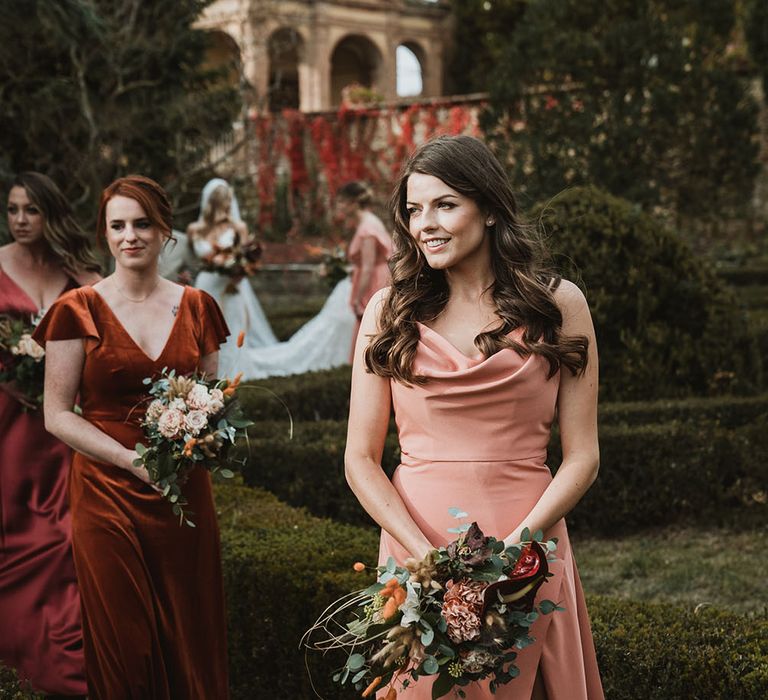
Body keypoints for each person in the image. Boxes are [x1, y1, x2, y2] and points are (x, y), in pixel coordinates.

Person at [345, 136, 604, 699]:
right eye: (414, 209)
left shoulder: (560, 306)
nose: (425, 224)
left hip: (527, 544)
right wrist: (425, 561)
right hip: (417, 545)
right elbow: (360, 461)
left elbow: (582, 455)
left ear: (488, 208)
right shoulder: (389, 311)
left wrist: (515, 550)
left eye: (444, 205)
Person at [33, 175, 230, 699]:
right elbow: (57, 413)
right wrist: (128, 459)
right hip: (104, 489)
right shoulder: (77, 309)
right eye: (117, 225)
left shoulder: (197, 306)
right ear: (104, 233)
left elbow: (212, 402)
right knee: (124, 639)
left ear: (165, 229)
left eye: (142, 223)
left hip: (181, 494)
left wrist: (201, 436)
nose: (130, 236)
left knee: (188, 630)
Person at [0, 171, 100, 697]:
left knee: (63, 537)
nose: (20, 220)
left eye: (30, 211)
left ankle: (61, 668)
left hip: (63, 421)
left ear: (50, 215)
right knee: (14, 530)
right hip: (8, 424)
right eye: (13, 210)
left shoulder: (78, 274)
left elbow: (108, 332)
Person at [228, 181, 392, 379]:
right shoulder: (367, 223)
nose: (339, 207)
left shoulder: (368, 228)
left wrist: (357, 299)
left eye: (341, 202)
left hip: (371, 283)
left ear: (353, 203)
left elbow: (367, 267)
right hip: (366, 279)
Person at [188, 177, 276, 377]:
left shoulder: (238, 228)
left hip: (230, 287)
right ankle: (206, 376)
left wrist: (237, 272)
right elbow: (192, 262)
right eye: (219, 202)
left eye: (226, 202)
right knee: (205, 333)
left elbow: (245, 261)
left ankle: (235, 375)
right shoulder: (195, 229)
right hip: (205, 286)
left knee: (233, 331)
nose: (224, 206)